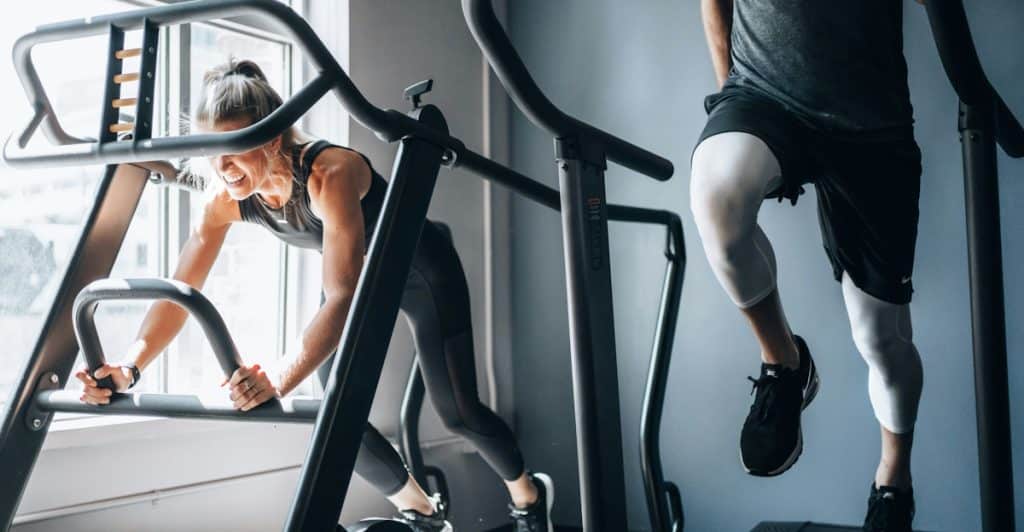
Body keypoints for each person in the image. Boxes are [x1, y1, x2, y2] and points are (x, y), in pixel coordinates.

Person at [74, 59, 554, 532]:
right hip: (362, 280)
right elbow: (179, 294)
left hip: (423, 272)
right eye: (212, 151)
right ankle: (424, 513)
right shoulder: (225, 198)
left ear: (271, 135)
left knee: (459, 413)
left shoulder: (329, 172)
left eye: (235, 148)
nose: (223, 168)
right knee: (336, 408)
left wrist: (277, 380)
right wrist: (130, 367)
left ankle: (529, 497)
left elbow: (342, 296)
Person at [693, 1, 926, 531]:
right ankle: (785, 363)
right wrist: (730, 91)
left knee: (881, 340)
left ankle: (893, 480)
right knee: (716, 197)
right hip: (762, 96)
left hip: (871, 122)